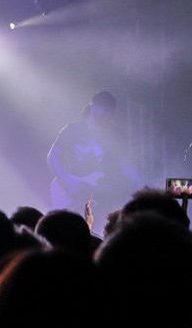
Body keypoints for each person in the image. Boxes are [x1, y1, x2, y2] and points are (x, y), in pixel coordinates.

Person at [47, 91, 144, 231]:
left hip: (100, 193)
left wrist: (139, 182)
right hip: (72, 188)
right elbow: (52, 157)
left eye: (111, 112)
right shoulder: (73, 130)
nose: (108, 115)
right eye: (105, 111)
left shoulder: (116, 134)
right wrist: (68, 183)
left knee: (101, 229)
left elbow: (126, 164)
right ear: (93, 106)